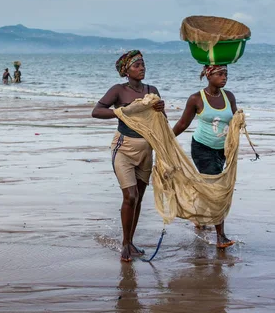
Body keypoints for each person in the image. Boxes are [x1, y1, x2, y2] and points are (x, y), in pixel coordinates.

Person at [91, 50, 165, 262]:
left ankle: (131, 241)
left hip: (146, 150)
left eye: (143, 64)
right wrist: (121, 112)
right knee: (130, 196)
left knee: (139, 198)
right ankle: (125, 244)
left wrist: (161, 108)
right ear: (126, 71)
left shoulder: (152, 90)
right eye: (137, 65)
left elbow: (160, 121)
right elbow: (96, 111)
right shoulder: (118, 91)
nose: (141, 68)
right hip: (123, 148)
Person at [172, 64, 237, 248]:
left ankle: (199, 217)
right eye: (220, 74)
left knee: (208, 185)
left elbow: (234, 121)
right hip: (201, 148)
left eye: (226, 74)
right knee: (217, 189)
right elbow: (183, 123)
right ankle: (221, 236)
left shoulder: (229, 96)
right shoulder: (196, 99)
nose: (224, 77)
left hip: (221, 150)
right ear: (208, 76)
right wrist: (166, 138)